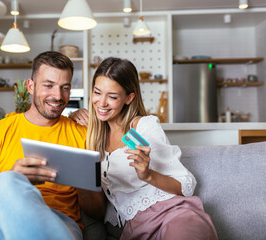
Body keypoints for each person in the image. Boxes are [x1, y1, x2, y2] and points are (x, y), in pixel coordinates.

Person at [0, 51, 105, 240]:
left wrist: (81, 175)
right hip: (2, 220)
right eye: (49, 85)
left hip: (59, 222)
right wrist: (13, 180)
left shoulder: (81, 134)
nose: (57, 96)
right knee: (6, 181)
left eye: (65, 87)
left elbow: (97, 212)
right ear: (31, 86)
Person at [71, 57, 218, 239]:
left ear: (129, 98)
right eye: (97, 92)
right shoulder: (93, 137)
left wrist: (148, 175)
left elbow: (186, 184)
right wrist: (73, 116)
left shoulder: (143, 126)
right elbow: (96, 209)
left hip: (172, 216)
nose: (101, 103)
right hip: (134, 231)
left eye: (112, 96)